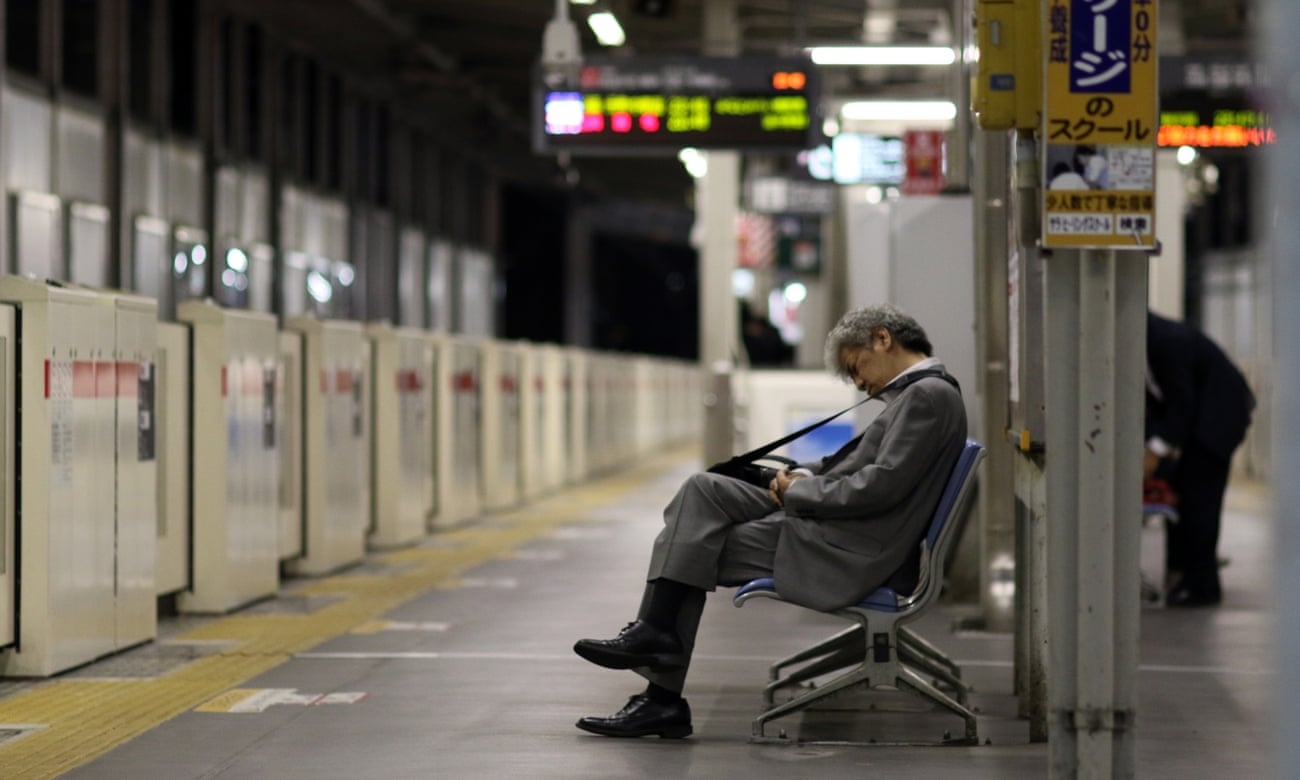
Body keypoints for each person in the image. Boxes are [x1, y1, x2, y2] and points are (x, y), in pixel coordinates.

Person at [571, 303, 967, 738]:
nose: (859, 384)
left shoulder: (927, 396)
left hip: (853, 547)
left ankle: (661, 694)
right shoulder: (921, 394)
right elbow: (860, 468)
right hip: (844, 523)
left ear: (883, 339)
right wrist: (799, 474)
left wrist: (798, 491)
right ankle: (655, 634)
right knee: (703, 489)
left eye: (857, 368)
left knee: (695, 545)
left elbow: (880, 486)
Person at [1144, 311, 1255, 607]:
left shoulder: (1167, 342)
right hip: (1198, 422)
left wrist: (1155, 450)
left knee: (1200, 501)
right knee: (1181, 496)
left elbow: (1181, 403)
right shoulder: (1149, 342)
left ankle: (1202, 586)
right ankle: (1181, 574)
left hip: (1216, 422)